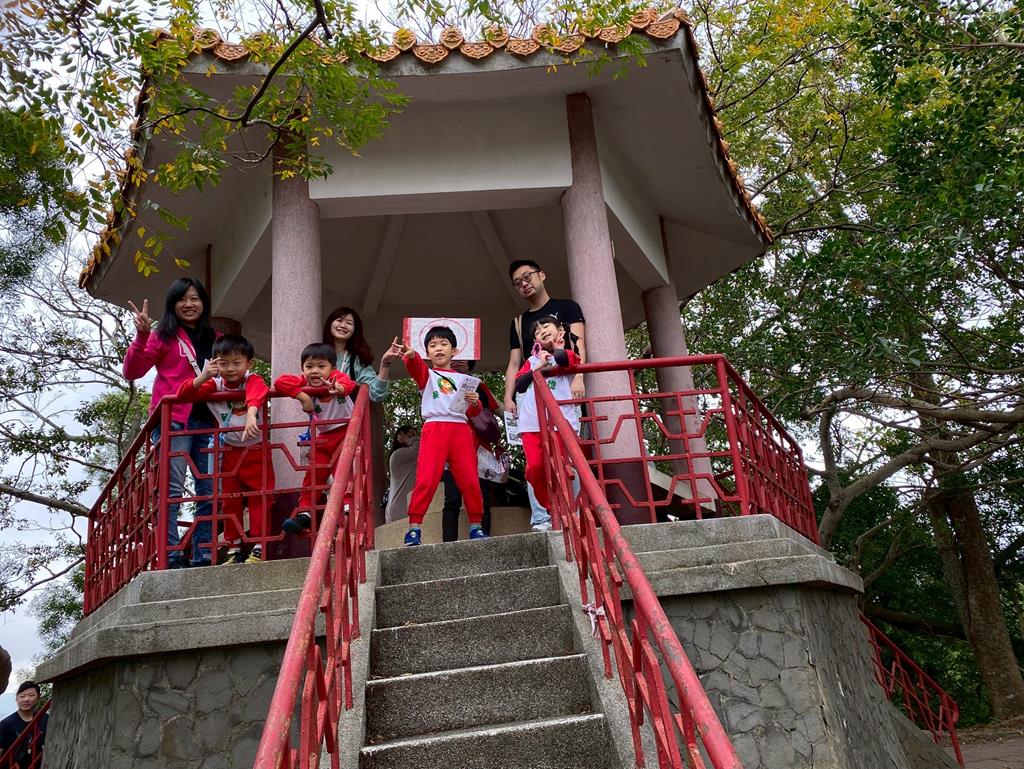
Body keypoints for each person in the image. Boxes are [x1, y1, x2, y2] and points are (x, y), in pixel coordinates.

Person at [123, 278, 219, 567]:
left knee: (209, 490)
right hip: (173, 422)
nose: (189, 304)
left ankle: (204, 553)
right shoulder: (163, 336)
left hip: (210, 422)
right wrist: (142, 336)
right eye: (182, 299)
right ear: (172, 304)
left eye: (194, 298)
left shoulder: (216, 337)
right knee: (171, 490)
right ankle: (172, 554)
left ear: (204, 303)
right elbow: (132, 371)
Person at [503, 260, 586, 531]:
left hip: (563, 390)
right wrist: (508, 398)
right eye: (518, 283)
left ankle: (573, 513)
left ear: (542, 275)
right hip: (531, 396)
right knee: (535, 461)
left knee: (567, 457)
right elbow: (514, 364)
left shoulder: (568, 308)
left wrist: (579, 378)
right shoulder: (519, 322)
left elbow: (578, 344)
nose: (524, 284)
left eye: (527, 277)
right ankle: (543, 517)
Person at [176, 335, 272, 564]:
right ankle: (233, 548)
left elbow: (258, 391)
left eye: (237, 362)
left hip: (256, 450)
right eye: (223, 363)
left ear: (249, 363)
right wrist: (203, 376)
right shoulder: (214, 384)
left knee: (260, 497)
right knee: (230, 500)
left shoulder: (252, 379)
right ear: (215, 363)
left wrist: (251, 414)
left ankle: (260, 546)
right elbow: (183, 395)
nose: (230, 368)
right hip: (228, 450)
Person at [400, 327, 488, 546]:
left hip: (460, 429)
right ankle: (414, 529)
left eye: (443, 344)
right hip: (434, 428)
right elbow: (415, 367)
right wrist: (411, 356)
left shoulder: (465, 379)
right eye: (433, 345)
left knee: (469, 479)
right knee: (426, 478)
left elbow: (473, 412)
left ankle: (476, 526)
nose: (438, 348)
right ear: (427, 353)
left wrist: (475, 403)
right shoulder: (427, 375)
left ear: (454, 350)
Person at [274, 343, 357, 533]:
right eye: (309, 366)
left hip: (346, 433)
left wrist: (338, 387)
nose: (315, 371)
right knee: (313, 473)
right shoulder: (304, 383)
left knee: (342, 469)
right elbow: (280, 382)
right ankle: (305, 513)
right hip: (323, 437)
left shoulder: (337, 377)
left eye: (321, 366)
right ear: (303, 370)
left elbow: (349, 385)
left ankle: (347, 506)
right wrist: (303, 397)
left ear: (332, 368)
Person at [514, 316, 581, 512]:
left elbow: (565, 361)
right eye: (537, 331)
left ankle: (564, 507)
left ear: (560, 331)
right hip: (531, 423)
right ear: (536, 340)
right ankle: (550, 506)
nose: (542, 331)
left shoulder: (568, 353)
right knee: (535, 466)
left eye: (546, 326)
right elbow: (520, 385)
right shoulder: (532, 361)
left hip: (561, 422)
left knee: (560, 466)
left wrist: (557, 347)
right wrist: (538, 368)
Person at [441, 359, 502, 542]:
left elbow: (498, 410)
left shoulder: (479, 386)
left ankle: (483, 539)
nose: (457, 362)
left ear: (470, 362)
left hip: (480, 450)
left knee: (482, 497)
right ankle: (448, 544)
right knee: (452, 499)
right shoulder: (439, 384)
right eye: (453, 359)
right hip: (451, 449)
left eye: (462, 359)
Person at [322, 307, 399, 402]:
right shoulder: (316, 353)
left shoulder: (355, 360)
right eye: (339, 320)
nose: (343, 325)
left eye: (349, 323)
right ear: (330, 323)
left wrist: (385, 364)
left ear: (355, 330)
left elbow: (376, 394)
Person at [0, 681, 47, 768]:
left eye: (31, 695)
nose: (26, 699)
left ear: (38, 697)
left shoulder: (45, 719)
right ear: (16, 699)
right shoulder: (5, 724)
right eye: (22, 696)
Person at [384, 425, 420, 524]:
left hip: (398, 506)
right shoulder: (398, 455)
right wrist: (409, 440)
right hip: (401, 506)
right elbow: (421, 448)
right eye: (412, 434)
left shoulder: (403, 456)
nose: (415, 437)